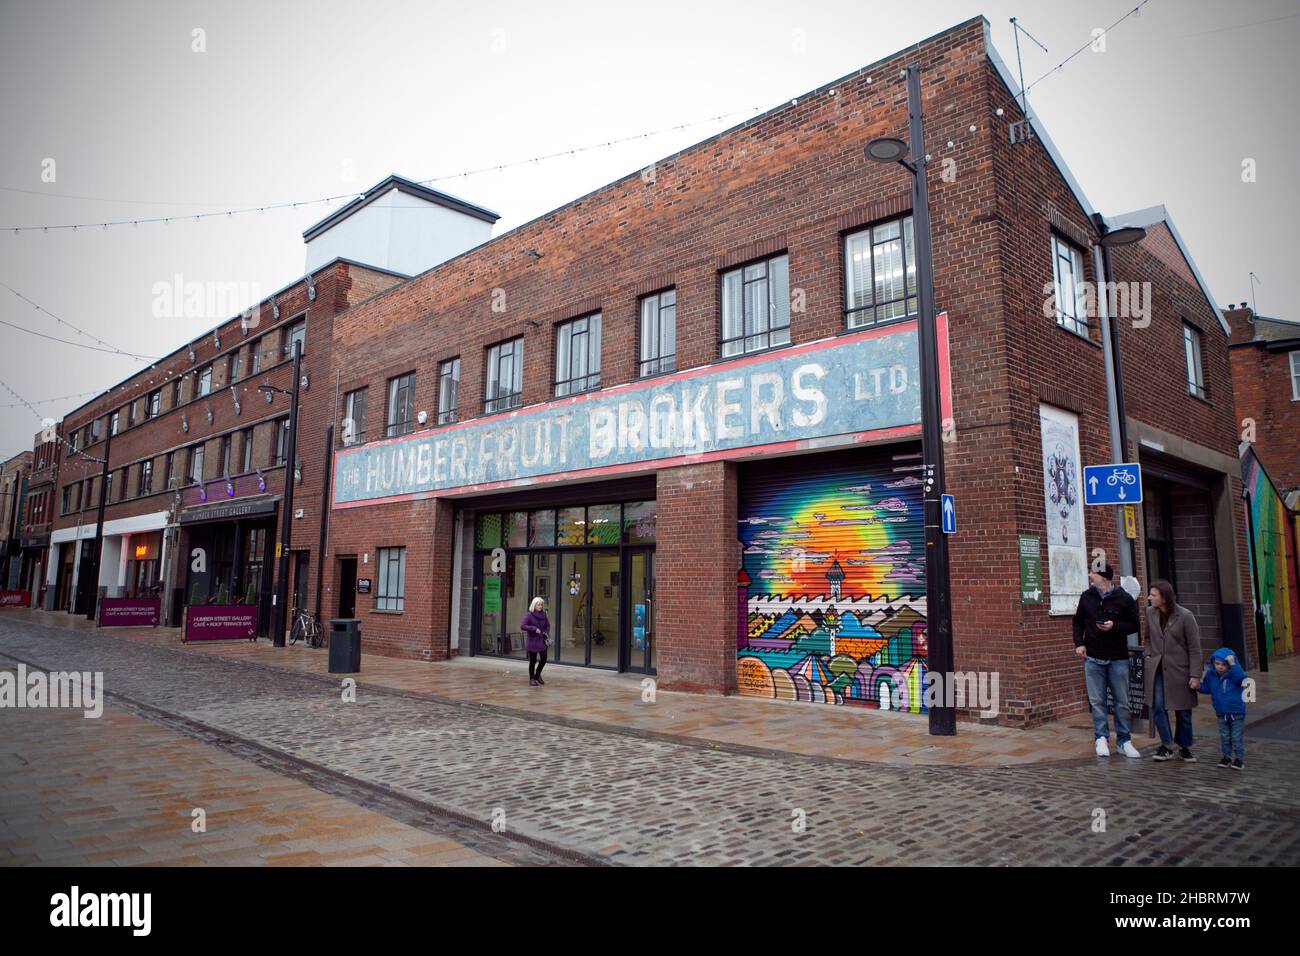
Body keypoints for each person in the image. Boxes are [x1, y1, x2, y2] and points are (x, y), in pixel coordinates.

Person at [1073, 564, 1141, 757]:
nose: (1089, 575)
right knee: (1097, 701)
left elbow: (1134, 624)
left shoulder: (1123, 598)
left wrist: (1115, 626)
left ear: (1103, 577)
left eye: (1093, 573)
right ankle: (1100, 738)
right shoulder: (1087, 596)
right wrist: (1079, 643)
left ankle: (1124, 741)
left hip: (1117, 657)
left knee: (1122, 702)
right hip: (1093, 657)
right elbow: (1077, 621)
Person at [1143, 579, 1202, 762]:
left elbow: (1194, 647)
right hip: (1157, 669)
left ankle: (1185, 746)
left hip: (1179, 669)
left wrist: (1195, 674)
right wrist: (1148, 654)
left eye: (1153, 595)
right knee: (1158, 706)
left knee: (1183, 709)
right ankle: (1166, 744)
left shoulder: (1185, 616)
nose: (1149, 598)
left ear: (1164, 597)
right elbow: (1147, 638)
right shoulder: (1150, 613)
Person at [1199, 647, 1248, 770]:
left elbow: (1242, 679)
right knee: (1225, 736)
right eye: (1217, 664)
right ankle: (1226, 757)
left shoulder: (1234, 674)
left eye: (1224, 664)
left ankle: (1238, 759)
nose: (1220, 667)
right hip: (1221, 713)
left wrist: (1233, 664)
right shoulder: (1211, 675)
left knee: (1236, 737)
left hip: (1236, 712)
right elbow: (1206, 688)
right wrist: (1197, 686)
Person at [520, 596, 551, 686]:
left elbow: (548, 625)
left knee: (544, 659)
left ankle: (537, 675)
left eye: (541, 605)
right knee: (533, 661)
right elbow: (523, 626)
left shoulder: (544, 615)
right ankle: (531, 679)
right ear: (534, 605)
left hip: (542, 640)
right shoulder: (529, 615)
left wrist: (545, 632)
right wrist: (534, 628)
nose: (540, 606)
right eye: (538, 605)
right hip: (532, 640)